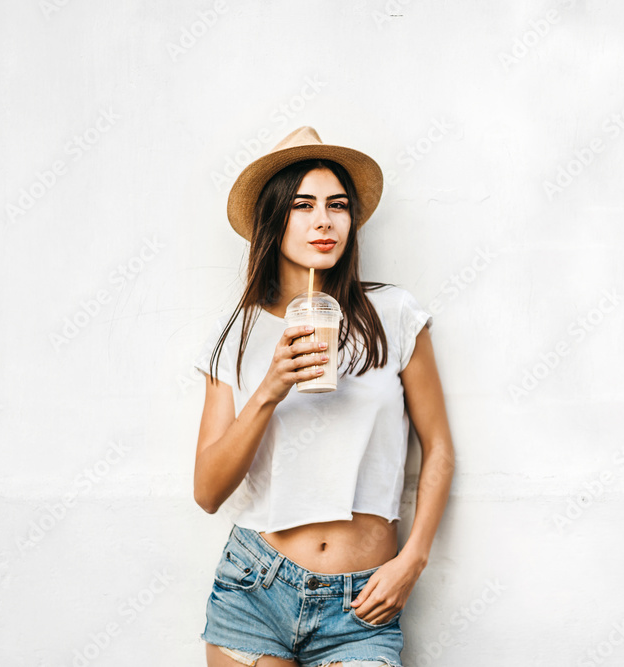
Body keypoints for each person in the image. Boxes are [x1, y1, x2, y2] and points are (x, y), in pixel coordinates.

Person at [193, 126, 455, 667]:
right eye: (302, 205)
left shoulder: (394, 314)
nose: (324, 221)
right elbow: (208, 490)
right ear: (273, 218)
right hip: (254, 589)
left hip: (361, 605)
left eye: (337, 205)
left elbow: (440, 448)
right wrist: (269, 390)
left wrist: (414, 559)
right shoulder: (235, 333)